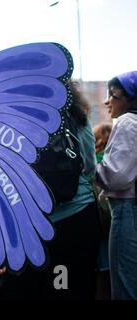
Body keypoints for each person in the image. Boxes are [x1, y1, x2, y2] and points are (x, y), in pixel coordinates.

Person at [0, 80, 101, 300]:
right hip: (76, 216)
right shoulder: (76, 116)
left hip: (30, 224)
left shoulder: (13, 118)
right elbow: (89, 165)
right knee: (67, 287)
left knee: (28, 289)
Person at [96, 71, 137, 300]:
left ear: (129, 99)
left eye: (112, 95)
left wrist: (94, 169)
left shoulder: (127, 122)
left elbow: (117, 176)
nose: (106, 101)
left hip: (126, 209)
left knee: (124, 285)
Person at [92, 122, 112, 300]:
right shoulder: (112, 164)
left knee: (101, 277)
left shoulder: (92, 164)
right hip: (112, 226)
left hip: (98, 228)